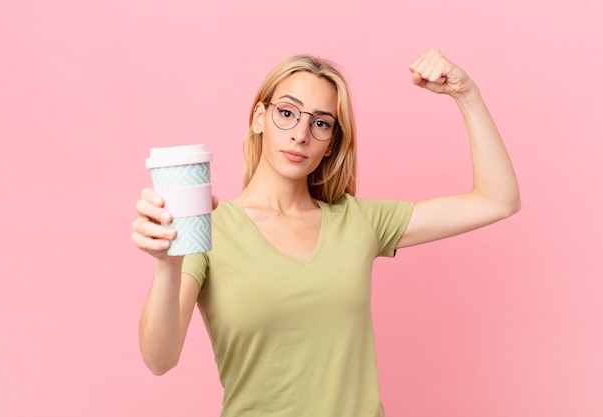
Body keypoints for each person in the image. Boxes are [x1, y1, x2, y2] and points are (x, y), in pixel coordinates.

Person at [131, 48, 520, 417]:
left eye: (320, 122)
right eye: (287, 112)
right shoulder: (208, 227)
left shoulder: (358, 221)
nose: (301, 133)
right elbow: (159, 359)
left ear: (331, 143)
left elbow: (497, 200)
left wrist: (466, 94)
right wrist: (167, 264)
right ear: (258, 118)